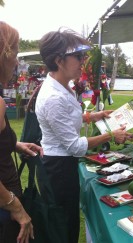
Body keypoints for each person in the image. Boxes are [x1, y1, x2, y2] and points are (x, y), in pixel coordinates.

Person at [35, 29, 133, 243]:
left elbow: (70, 118)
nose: (83, 61)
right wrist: (110, 134)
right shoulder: (53, 97)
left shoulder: (63, 87)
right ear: (59, 60)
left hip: (62, 165)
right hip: (57, 169)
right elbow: (75, 146)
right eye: (78, 57)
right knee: (63, 227)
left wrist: (95, 115)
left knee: (68, 221)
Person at [0, 21, 43, 243]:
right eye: (15, 54)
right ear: (2, 55)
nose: (17, 62)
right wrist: (15, 207)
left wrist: (15, 144)